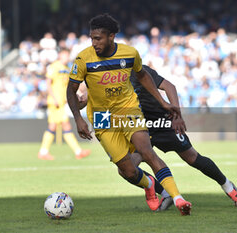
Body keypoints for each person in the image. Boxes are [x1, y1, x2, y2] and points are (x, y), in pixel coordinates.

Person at [67, 13, 192, 215]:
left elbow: (143, 76)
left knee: (147, 152)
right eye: (92, 38)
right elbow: (71, 90)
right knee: (128, 171)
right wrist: (78, 119)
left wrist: (163, 102)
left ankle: (178, 199)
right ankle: (149, 185)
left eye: (98, 38)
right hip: (102, 117)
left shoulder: (130, 53)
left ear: (111, 36)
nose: (94, 43)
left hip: (128, 109)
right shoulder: (83, 59)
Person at [125, 65, 237, 210]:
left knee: (192, 157)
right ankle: (166, 194)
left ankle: (228, 186)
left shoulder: (136, 69)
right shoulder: (107, 79)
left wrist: (176, 115)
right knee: (127, 168)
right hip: (139, 126)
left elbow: (169, 86)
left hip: (161, 122)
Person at [38, 49, 91, 160]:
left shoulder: (67, 69)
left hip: (62, 102)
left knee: (53, 126)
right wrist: (54, 98)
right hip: (55, 103)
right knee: (65, 125)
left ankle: (44, 151)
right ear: (61, 55)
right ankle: (78, 151)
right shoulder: (54, 66)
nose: (68, 58)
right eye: (66, 55)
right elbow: (48, 83)